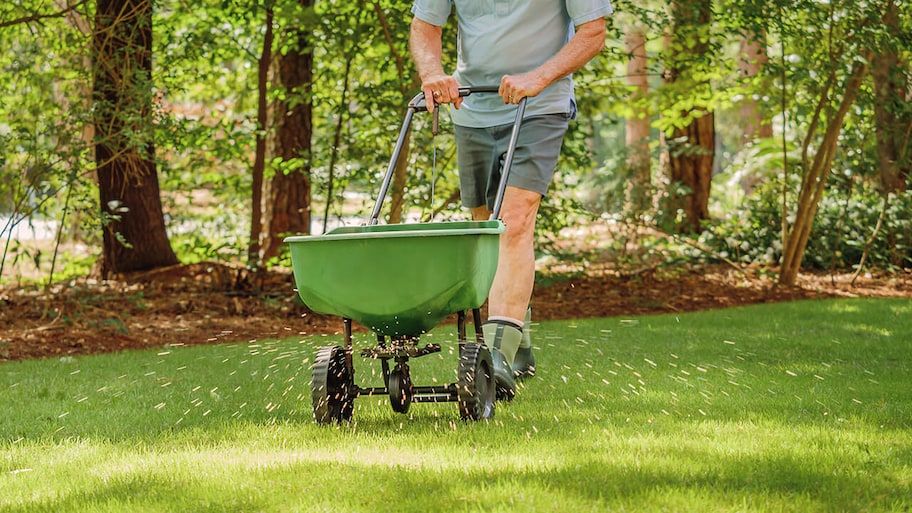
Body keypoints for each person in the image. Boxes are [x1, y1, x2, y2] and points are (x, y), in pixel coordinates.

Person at [409, 0, 613, 399]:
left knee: (514, 221)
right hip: (470, 107)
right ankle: (518, 341)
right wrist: (432, 73)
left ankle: (497, 355)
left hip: (540, 105)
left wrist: (539, 77)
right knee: (486, 229)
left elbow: (593, 31)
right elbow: (424, 25)